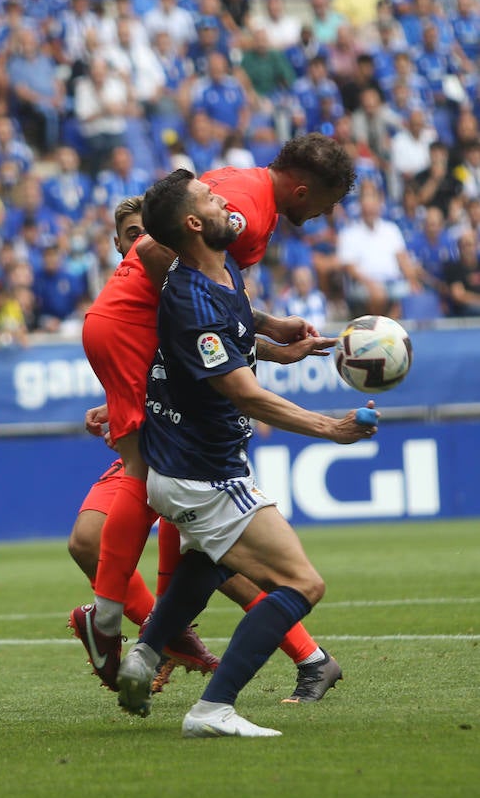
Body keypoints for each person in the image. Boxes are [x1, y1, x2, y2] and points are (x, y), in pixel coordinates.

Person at [70, 134, 355, 702]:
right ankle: (111, 624)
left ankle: (164, 635)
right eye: (324, 204)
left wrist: (264, 331)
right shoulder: (244, 211)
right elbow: (159, 259)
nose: (323, 215)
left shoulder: (243, 189)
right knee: (146, 479)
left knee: (182, 507)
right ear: (303, 189)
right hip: (137, 335)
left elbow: (211, 308)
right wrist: (325, 426)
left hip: (147, 345)